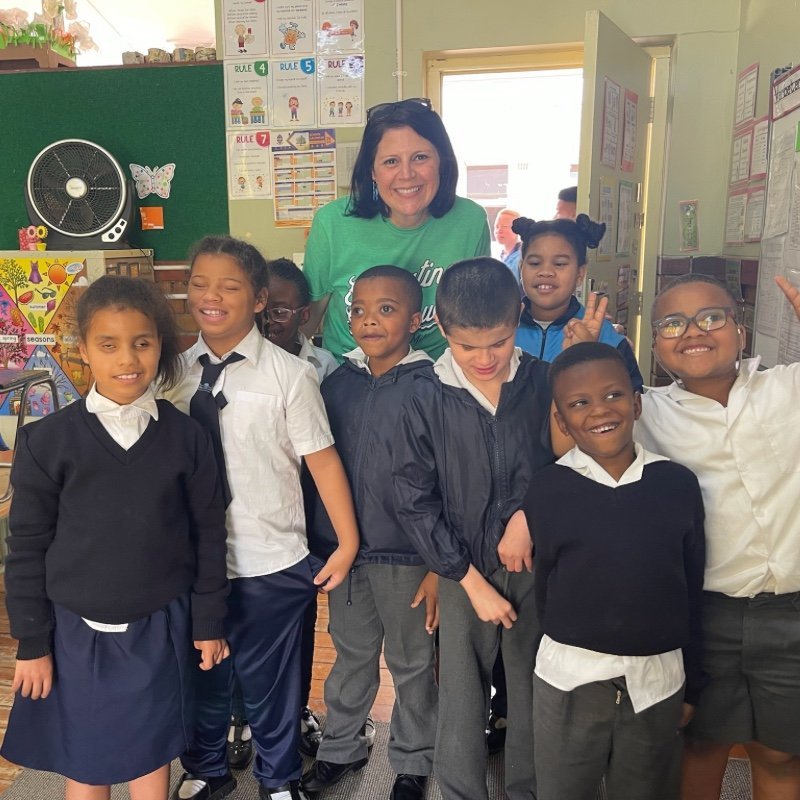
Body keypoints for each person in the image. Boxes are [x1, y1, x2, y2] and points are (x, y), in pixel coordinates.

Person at [1, 276, 230, 800]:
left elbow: (209, 533)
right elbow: (27, 549)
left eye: (141, 342)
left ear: (159, 346)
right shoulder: (46, 441)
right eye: (108, 344)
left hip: (160, 626)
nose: (127, 359)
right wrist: (33, 643)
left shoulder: (187, 437)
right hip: (73, 633)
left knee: (152, 752)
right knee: (87, 761)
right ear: (83, 350)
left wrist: (209, 621)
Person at [392, 258, 596, 800]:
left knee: (533, 686)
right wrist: (466, 579)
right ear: (441, 326)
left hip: (536, 564)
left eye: (499, 343)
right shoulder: (423, 394)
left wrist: (529, 516)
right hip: (462, 569)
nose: (484, 359)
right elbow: (413, 499)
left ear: (518, 318)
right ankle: (461, 790)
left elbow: (572, 462)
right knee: (460, 692)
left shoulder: (543, 381)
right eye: (468, 347)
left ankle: (529, 789)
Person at [164, 236, 360, 800]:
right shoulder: (171, 375)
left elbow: (323, 462)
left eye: (229, 286)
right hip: (190, 562)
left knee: (272, 683)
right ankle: (206, 767)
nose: (211, 296)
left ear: (257, 300)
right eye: (200, 284)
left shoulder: (289, 375)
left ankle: (278, 777)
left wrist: (346, 542)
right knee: (202, 676)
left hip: (271, 558)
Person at [634, 273, 800, 800]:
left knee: (781, 753)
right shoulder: (644, 412)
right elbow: (572, 437)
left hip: (791, 612)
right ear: (655, 344)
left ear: (740, 330)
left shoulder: (788, 388)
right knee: (700, 744)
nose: (693, 331)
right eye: (672, 324)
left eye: (711, 317)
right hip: (705, 615)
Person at [523, 342, 705, 800]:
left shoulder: (677, 484)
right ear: (561, 421)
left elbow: (691, 586)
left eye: (613, 395)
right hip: (570, 679)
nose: (600, 410)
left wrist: (693, 685)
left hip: (658, 682)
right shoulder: (547, 489)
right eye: (579, 403)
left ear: (637, 403)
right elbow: (546, 583)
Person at [302, 265, 439, 800]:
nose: (368, 320)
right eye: (358, 309)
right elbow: (318, 465)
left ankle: (413, 759)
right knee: (351, 656)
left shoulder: (433, 387)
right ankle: (341, 747)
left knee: (412, 663)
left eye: (386, 309)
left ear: (415, 320)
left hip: (409, 556)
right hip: (347, 554)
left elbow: (449, 480)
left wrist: (438, 565)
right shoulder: (338, 383)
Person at [301, 97, 491, 362]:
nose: (406, 174)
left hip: (435, 377)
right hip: (348, 377)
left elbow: (477, 323)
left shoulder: (470, 221)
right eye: (391, 161)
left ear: (442, 161)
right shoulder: (332, 223)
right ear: (372, 171)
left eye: (420, 157)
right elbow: (306, 323)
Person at [513, 214, 643, 391]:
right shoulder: (502, 328)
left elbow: (630, 398)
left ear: (580, 274)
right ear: (521, 268)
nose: (546, 271)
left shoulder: (606, 337)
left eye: (559, 264)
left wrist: (588, 356)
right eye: (535, 263)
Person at [262, 257, 338, 383]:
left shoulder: (324, 366)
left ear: (304, 315)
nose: (267, 320)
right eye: (260, 310)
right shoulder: (239, 362)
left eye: (280, 312)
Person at [493, 208, 523, 281]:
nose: (499, 230)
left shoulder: (522, 257)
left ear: (517, 229)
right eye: (496, 226)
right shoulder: (499, 256)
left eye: (505, 226)